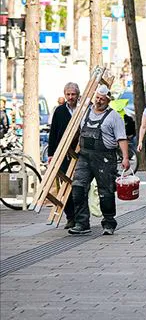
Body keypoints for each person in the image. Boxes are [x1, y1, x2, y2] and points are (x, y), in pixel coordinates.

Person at [69, 85, 129, 236]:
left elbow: (121, 138)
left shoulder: (114, 116)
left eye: (102, 99)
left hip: (105, 159)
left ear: (108, 100)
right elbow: (76, 132)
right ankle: (82, 223)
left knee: (106, 192)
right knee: (78, 188)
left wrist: (126, 158)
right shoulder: (85, 112)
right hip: (85, 157)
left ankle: (109, 223)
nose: (99, 101)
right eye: (97, 98)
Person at [47, 82, 80, 228]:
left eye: (73, 94)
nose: (70, 97)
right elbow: (53, 132)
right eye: (68, 94)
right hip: (63, 154)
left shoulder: (83, 110)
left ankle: (80, 217)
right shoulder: (59, 111)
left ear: (78, 95)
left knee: (79, 186)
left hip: (80, 153)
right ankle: (70, 217)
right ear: (64, 95)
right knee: (65, 186)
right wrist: (51, 154)